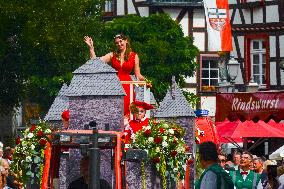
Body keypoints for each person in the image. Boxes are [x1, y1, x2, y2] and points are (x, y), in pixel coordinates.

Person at [84, 34, 145, 116]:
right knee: (115, 110)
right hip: (114, 85)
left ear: (126, 41)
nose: (119, 44)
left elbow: (138, 75)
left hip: (127, 86)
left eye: (121, 41)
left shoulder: (134, 56)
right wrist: (91, 48)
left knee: (127, 109)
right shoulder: (112, 55)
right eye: (117, 43)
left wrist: (146, 81)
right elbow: (95, 62)